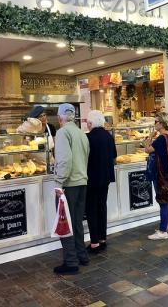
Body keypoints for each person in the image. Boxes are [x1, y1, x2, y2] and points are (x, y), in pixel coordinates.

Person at [53, 103, 90, 275]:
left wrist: (59, 183)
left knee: (65, 223)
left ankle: (71, 262)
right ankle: (82, 256)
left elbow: (65, 160)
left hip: (68, 185)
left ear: (60, 117)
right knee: (77, 223)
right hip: (82, 182)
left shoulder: (62, 132)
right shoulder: (81, 132)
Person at [85, 110, 117, 253]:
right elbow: (114, 155)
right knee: (102, 206)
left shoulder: (88, 137)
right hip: (106, 177)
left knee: (91, 208)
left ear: (91, 123)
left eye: (87, 122)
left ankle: (94, 242)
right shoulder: (109, 136)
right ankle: (103, 238)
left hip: (92, 178)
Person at [145, 112, 168, 240]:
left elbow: (147, 149)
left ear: (162, 123)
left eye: (156, 122)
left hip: (160, 173)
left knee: (163, 201)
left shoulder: (160, 138)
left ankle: (163, 231)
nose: (154, 124)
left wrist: (149, 138)